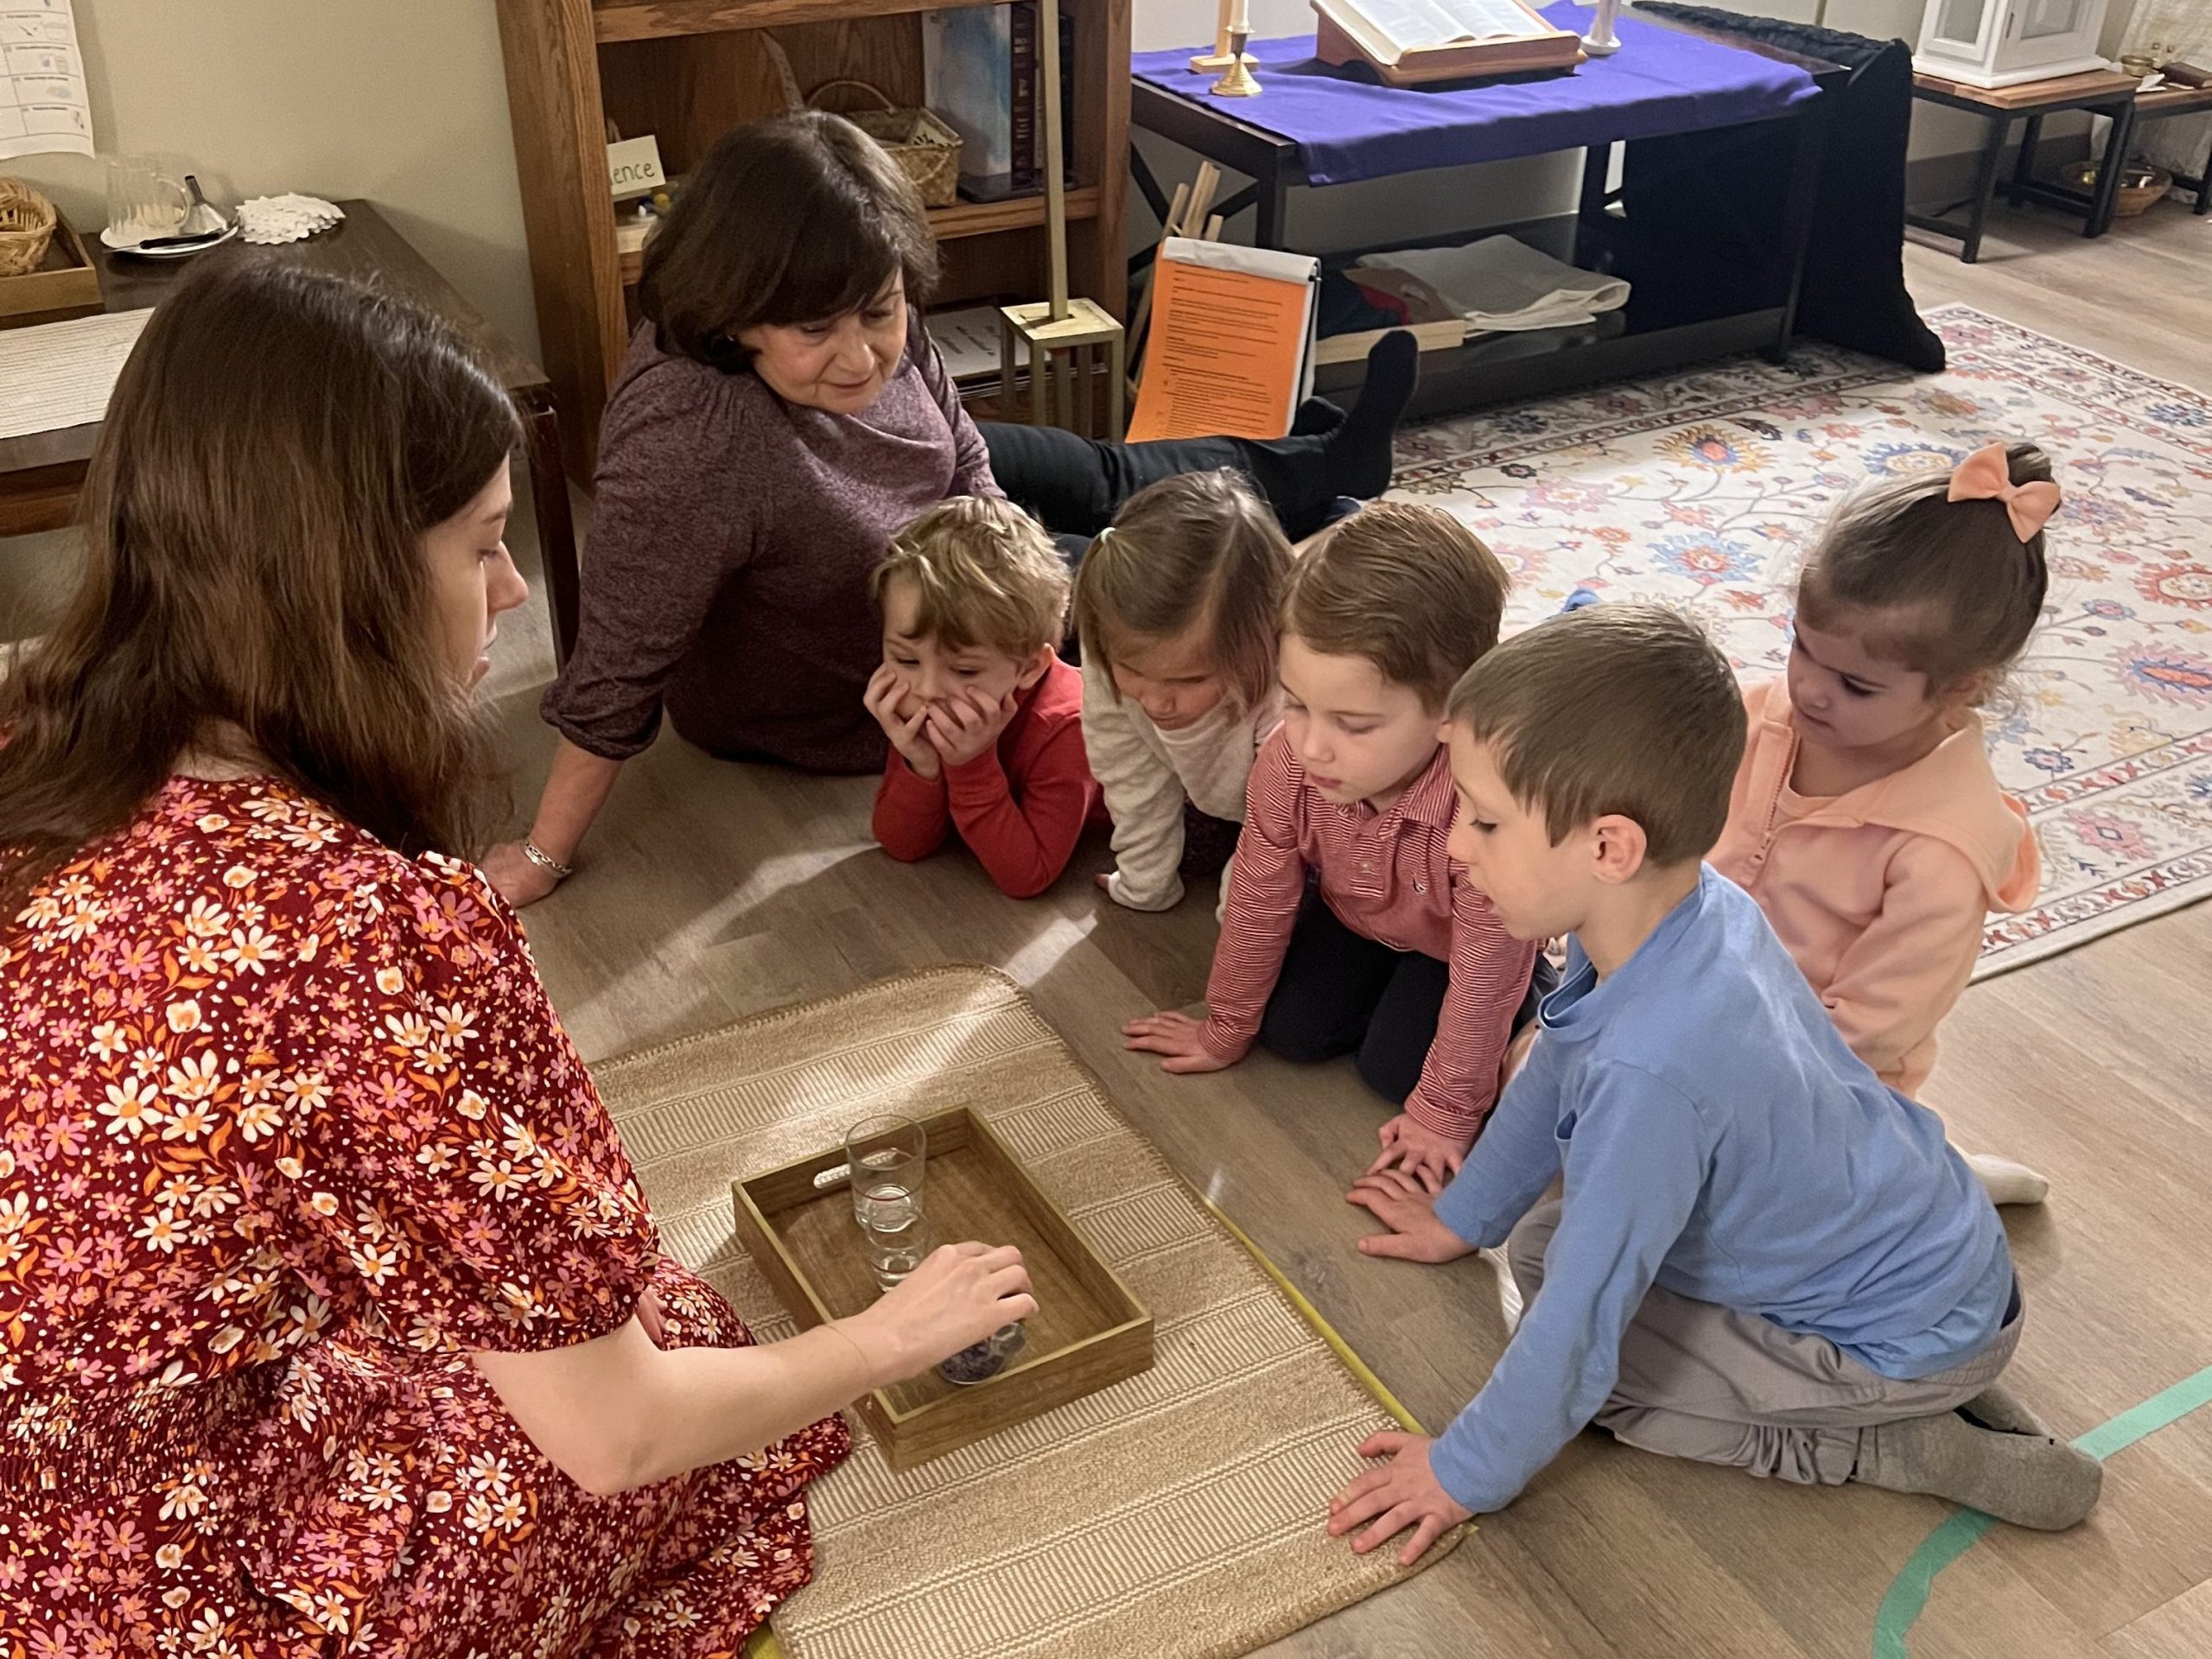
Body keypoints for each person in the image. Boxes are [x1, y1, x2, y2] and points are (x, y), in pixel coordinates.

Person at [0, 261, 1034, 1655]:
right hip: (159, 1577)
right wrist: (889, 1339)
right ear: (344, 574)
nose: (509, 591)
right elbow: (616, 1438)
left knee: (600, 1296)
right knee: (677, 1377)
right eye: (483, 542)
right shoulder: (370, 939)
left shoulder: (34, 755)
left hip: (53, 1450)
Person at [1330, 605, 2100, 1567]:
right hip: (1936, 1263)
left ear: (1608, 848)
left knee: (1597, 1382)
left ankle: (1886, 1440)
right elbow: (1559, 1062)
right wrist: (1465, 1218)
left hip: (1897, 1335)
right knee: (1536, 1243)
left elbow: (1580, 1328)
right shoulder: (1697, 906)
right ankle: (1916, 1375)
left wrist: (1462, 1470)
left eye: (1485, 820)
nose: (1455, 846)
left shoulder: (1651, 1073)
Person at [489, 111, 1418, 908]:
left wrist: (1001, 536)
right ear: (733, 313)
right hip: (911, 623)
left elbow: (959, 447)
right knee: (1157, 585)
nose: (861, 357)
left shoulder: (867, 298)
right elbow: (617, 657)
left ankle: (1322, 463)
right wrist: (542, 852)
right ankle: (1291, 549)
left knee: (1095, 471)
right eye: (816, 330)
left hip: (935, 516)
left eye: (880, 314)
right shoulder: (691, 447)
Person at [1122, 504, 1541, 1191]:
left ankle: (1541, 1008)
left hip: (1463, 948)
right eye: (1295, 704)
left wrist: (1444, 1112)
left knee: (1397, 1073)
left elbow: (1484, 970)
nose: (1311, 745)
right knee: (1286, 1032)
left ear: (1452, 710)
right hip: (1363, 919)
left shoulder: (1486, 808)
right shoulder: (1291, 764)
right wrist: (1223, 1027)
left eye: (1352, 724)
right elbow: (1258, 898)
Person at [1710, 442, 2053, 1205]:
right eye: (1801, 646)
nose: (1809, 690)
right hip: (1695, 1014)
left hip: (1818, 1086)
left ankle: (1931, 1176)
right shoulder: (1758, 715)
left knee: (1739, 1220)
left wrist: (1709, 1069)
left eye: (1856, 685)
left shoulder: (1941, 852)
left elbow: (1870, 1033)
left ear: (1962, 688)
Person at [1075, 469, 1293, 917]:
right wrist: (1143, 883)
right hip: (1217, 792)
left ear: (1259, 646)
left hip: (1316, 809)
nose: (1155, 703)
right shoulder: (1107, 646)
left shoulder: (1287, 686)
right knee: (1186, 853)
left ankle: (1339, 519)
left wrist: (1237, 919)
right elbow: (1126, 770)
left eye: (1190, 680)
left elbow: (1280, 825)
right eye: (1132, 670)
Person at [867, 495, 1100, 896]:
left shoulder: (1069, 725)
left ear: (1029, 668)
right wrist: (920, 764)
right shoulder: (931, 700)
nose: (927, 690)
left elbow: (1029, 876)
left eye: (964, 670)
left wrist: (971, 765)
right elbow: (901, 846)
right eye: (906, 659)